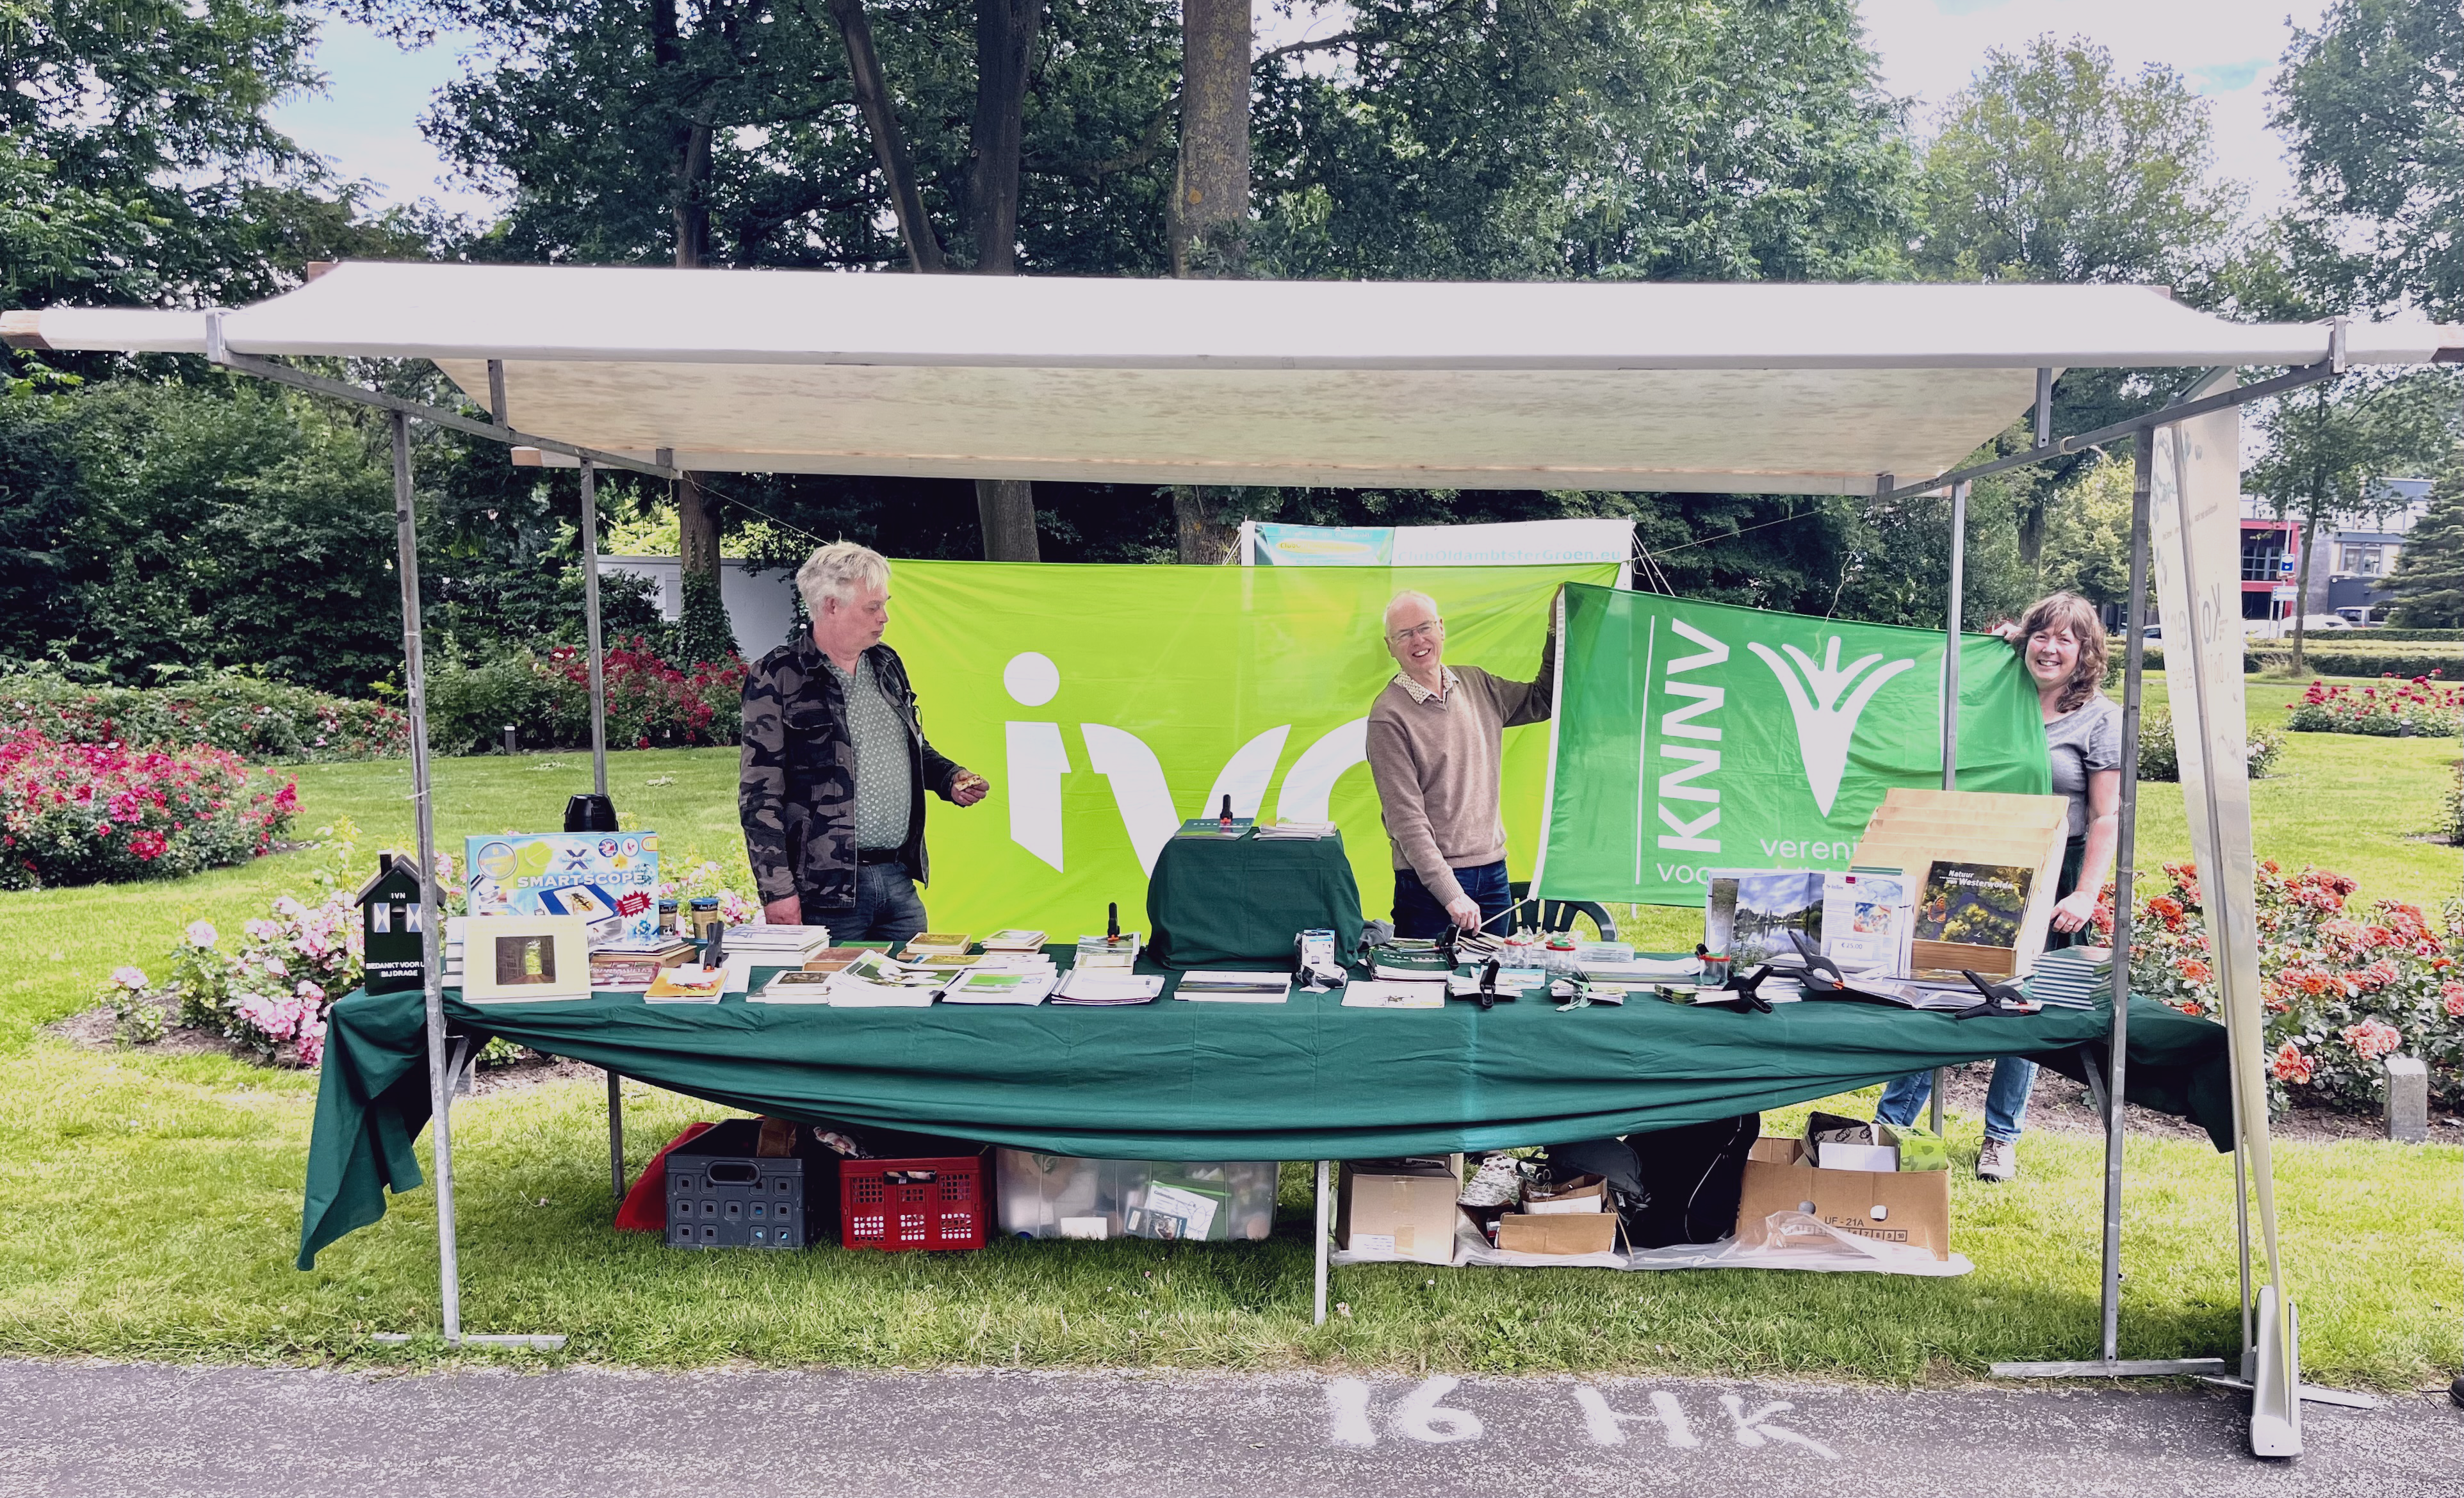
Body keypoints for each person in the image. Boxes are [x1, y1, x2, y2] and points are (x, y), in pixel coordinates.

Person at [1876, 591, 2122, 1182]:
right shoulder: (1995, 690)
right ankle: (1894, 1124)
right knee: (1934, 987)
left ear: (2086, 652)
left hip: (2049, 875)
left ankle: (1999, 1136)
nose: (2052, 647)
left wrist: (2085, 893)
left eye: (2068, 639)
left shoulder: (2099, 718)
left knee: (2022, 1004)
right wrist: (2011, 637)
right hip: (1973, 862)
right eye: (2043, 635)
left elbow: (2107, 816)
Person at [739, 541, 990, 945]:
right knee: (831, 1005)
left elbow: (911, 749)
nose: (884, 618)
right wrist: (777, 891)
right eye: (872, 608)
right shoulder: (777, 675)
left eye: (884, 605)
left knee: (913, 995)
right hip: (825, 889)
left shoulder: (887, 664)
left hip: (897, 880)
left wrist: (949, 778)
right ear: (832, 606)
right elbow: (758, 794)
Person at [1364, 589, 1557, 940]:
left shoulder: (1478, 685)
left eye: (1424, 627)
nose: (1417, 640)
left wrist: (1557, 632)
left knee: (1492, 987)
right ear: (1389, 645)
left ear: (1441, 628)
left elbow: (1543, 699)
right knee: (1427, 991)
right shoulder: (1388, 717)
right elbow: (1406, 820)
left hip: (1494, 873)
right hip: (1428, 889)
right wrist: (1450, 893)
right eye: (1404, 634)